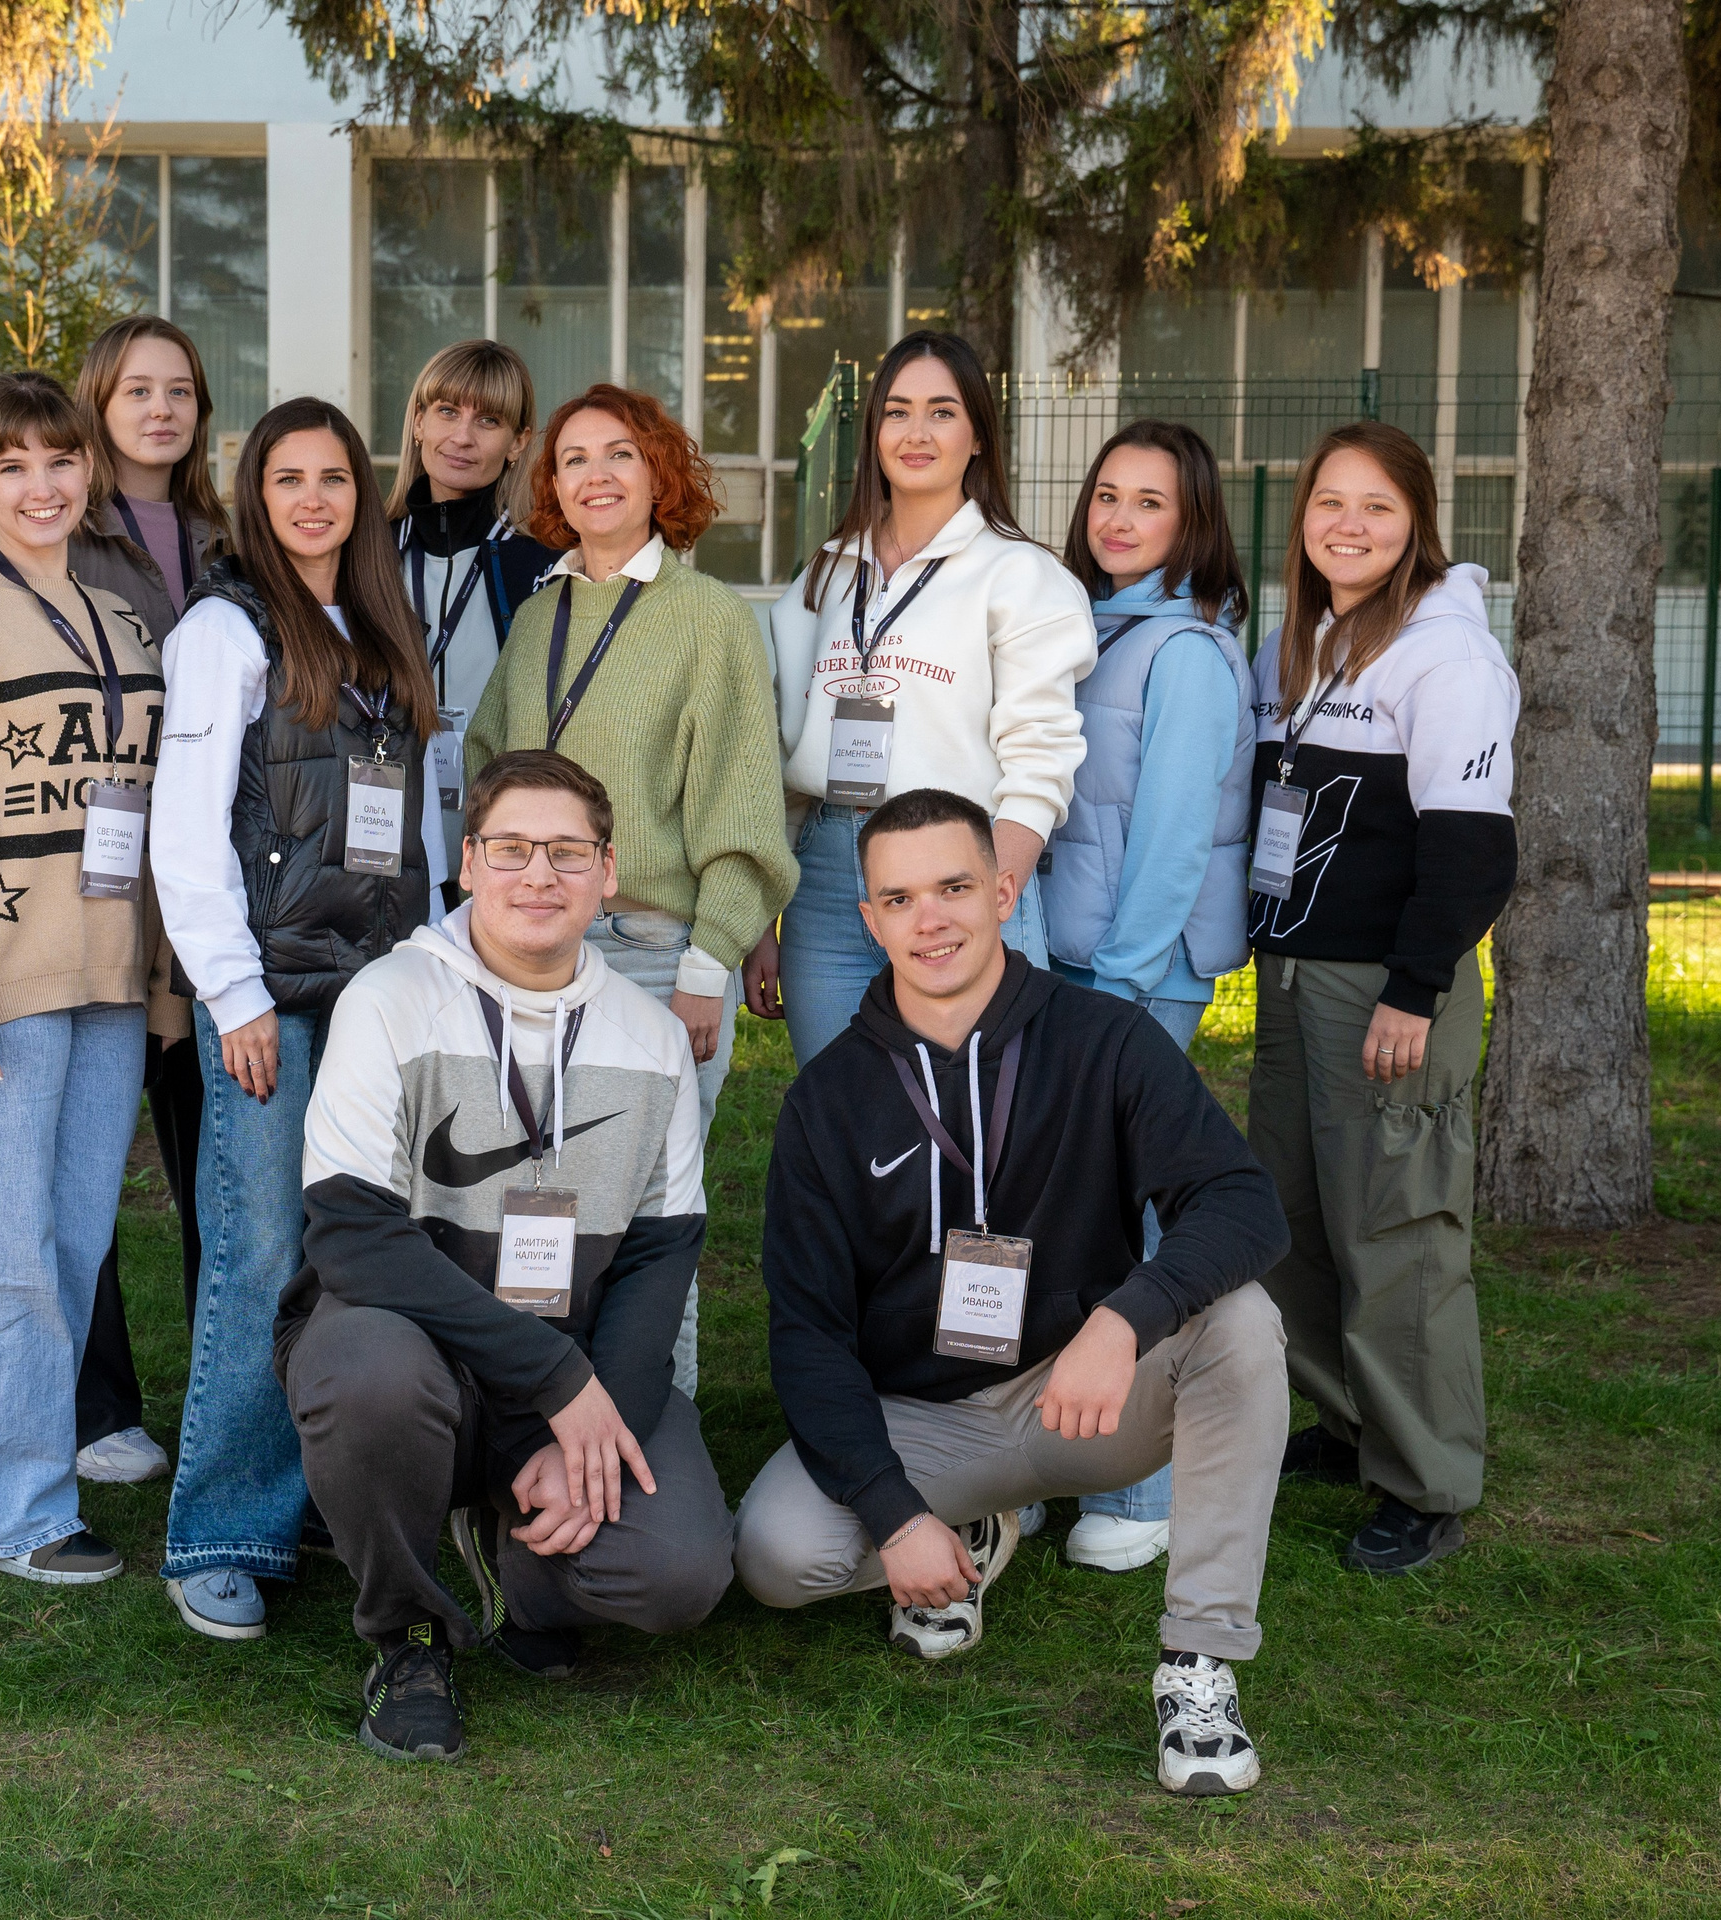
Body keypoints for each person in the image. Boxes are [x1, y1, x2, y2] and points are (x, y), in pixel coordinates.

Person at [733, 786, 1290, 1799]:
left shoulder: (1105, 1041)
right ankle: (962, 1532)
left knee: (1243, 1324)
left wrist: (1123, 1321)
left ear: (1001, 892)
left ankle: (1199, 1664)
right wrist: (895, 1515)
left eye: (953, 888)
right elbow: (807, 1335)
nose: (929, 920)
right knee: (777, 1554)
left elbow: (1243, 1206)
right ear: (869, 922)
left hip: (1082, 1399)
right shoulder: (828, 1099)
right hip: (922, 1420)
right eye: (899, 899)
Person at [279, 750, 735, 1762]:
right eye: (512, 848)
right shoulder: (389, 1001)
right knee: (369, 1376)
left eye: (567, 852)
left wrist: (591, 1427)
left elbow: (659, 1261)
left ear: (607, 872)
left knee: (680, 1571)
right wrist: (557, 1379)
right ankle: (408, 1638)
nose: (539, 875)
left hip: (561, 1367)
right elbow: (350, 1234)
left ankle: (522, 1572)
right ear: (468, 864)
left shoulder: (652, 1039)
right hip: (415, 1352)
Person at [0, 370, 184, 1588]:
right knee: (2, 1250)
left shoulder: (126, 626)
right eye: (11, 466)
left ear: (88, 471)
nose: (40, 486)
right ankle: (9, 1512)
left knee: (67, 1246)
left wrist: (164, 983)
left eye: (59, 461)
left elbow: (159, 817)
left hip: (110, 978)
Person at [148, 396, 442, 1641]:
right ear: (254, 496)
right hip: (273, 999)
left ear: (361, 495)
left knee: (360, 1252)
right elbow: (185, 833)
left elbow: (417, 821)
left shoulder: (381, 625)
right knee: (261, 1255)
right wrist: (231, 995)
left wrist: (437, 962)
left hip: (382, 992)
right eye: (287, 479)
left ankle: (321, 1493)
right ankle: (220, 1529)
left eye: (333, 478)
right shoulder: (226, 628)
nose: (312, 500)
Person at [465, 382, 797, 1397]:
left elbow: (743, 805)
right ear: (552, 486)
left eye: (620, 453)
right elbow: (487, 765)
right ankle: (546, 1421)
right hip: (529, 949)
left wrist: (708, 965)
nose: (596, 475)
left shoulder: (709, 618)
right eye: (573, 459)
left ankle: (658, 1430)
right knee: (531, 1200)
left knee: (650, 1214)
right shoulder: (538, 616)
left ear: (659, 474)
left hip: (655, 956)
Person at [1245, 420, 1519, 1576]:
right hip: (1293, 977)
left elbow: (1471, 850)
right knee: (1293, 1216)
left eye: (1376, 507)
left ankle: (1427, 1481)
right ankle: (1350, 1421)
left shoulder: (1444, 653)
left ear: (1416, 523)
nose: (1347, 525)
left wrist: (1414, 989)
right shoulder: (1306, 636)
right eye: (1329, 502)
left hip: (1389, 988)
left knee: (1396, 1230)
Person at [755, 330, 1094, 1068]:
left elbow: (1041, 760)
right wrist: (760, 921)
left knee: (977, 1103)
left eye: (942, 412)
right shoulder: (826, 573)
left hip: (960, 867)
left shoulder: (1020, 574)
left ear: (978, 437)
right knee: (844, 1105)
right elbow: (783, 752)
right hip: (828, 876)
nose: (916, 433)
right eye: (897, 411)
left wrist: (991, 893)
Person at [1042, 419, 1257, 1575]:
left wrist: (1118, 991)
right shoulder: (1095, 627)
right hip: (1074, 963)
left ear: (1193, 523)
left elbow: (1173, 840)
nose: (1118, 519)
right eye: (1107, 496)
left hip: (1136, 978)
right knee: (1069, 1213)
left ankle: (1142, 1493)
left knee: (1134, 1223)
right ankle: (1052, 1455)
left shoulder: (1183, 651)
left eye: (1150, 503)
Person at [63, 314, 238, 1489]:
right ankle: (96, 1407)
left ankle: (229, 1397)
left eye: (180, 391)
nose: (162, 410)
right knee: (81, 1154)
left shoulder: (233, 539)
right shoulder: (65, 536)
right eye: (138, 390)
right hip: (93, 879)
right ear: (99, 403)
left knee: (216, 1164)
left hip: (213, 885)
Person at [384, 340, 562, 880]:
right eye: (446, 412)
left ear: (518, 442)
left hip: (505, 849)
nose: (462, 437)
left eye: (488, 420)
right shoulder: (365, 554)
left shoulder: (548, 568)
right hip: (381, 836)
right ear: (418, 422)